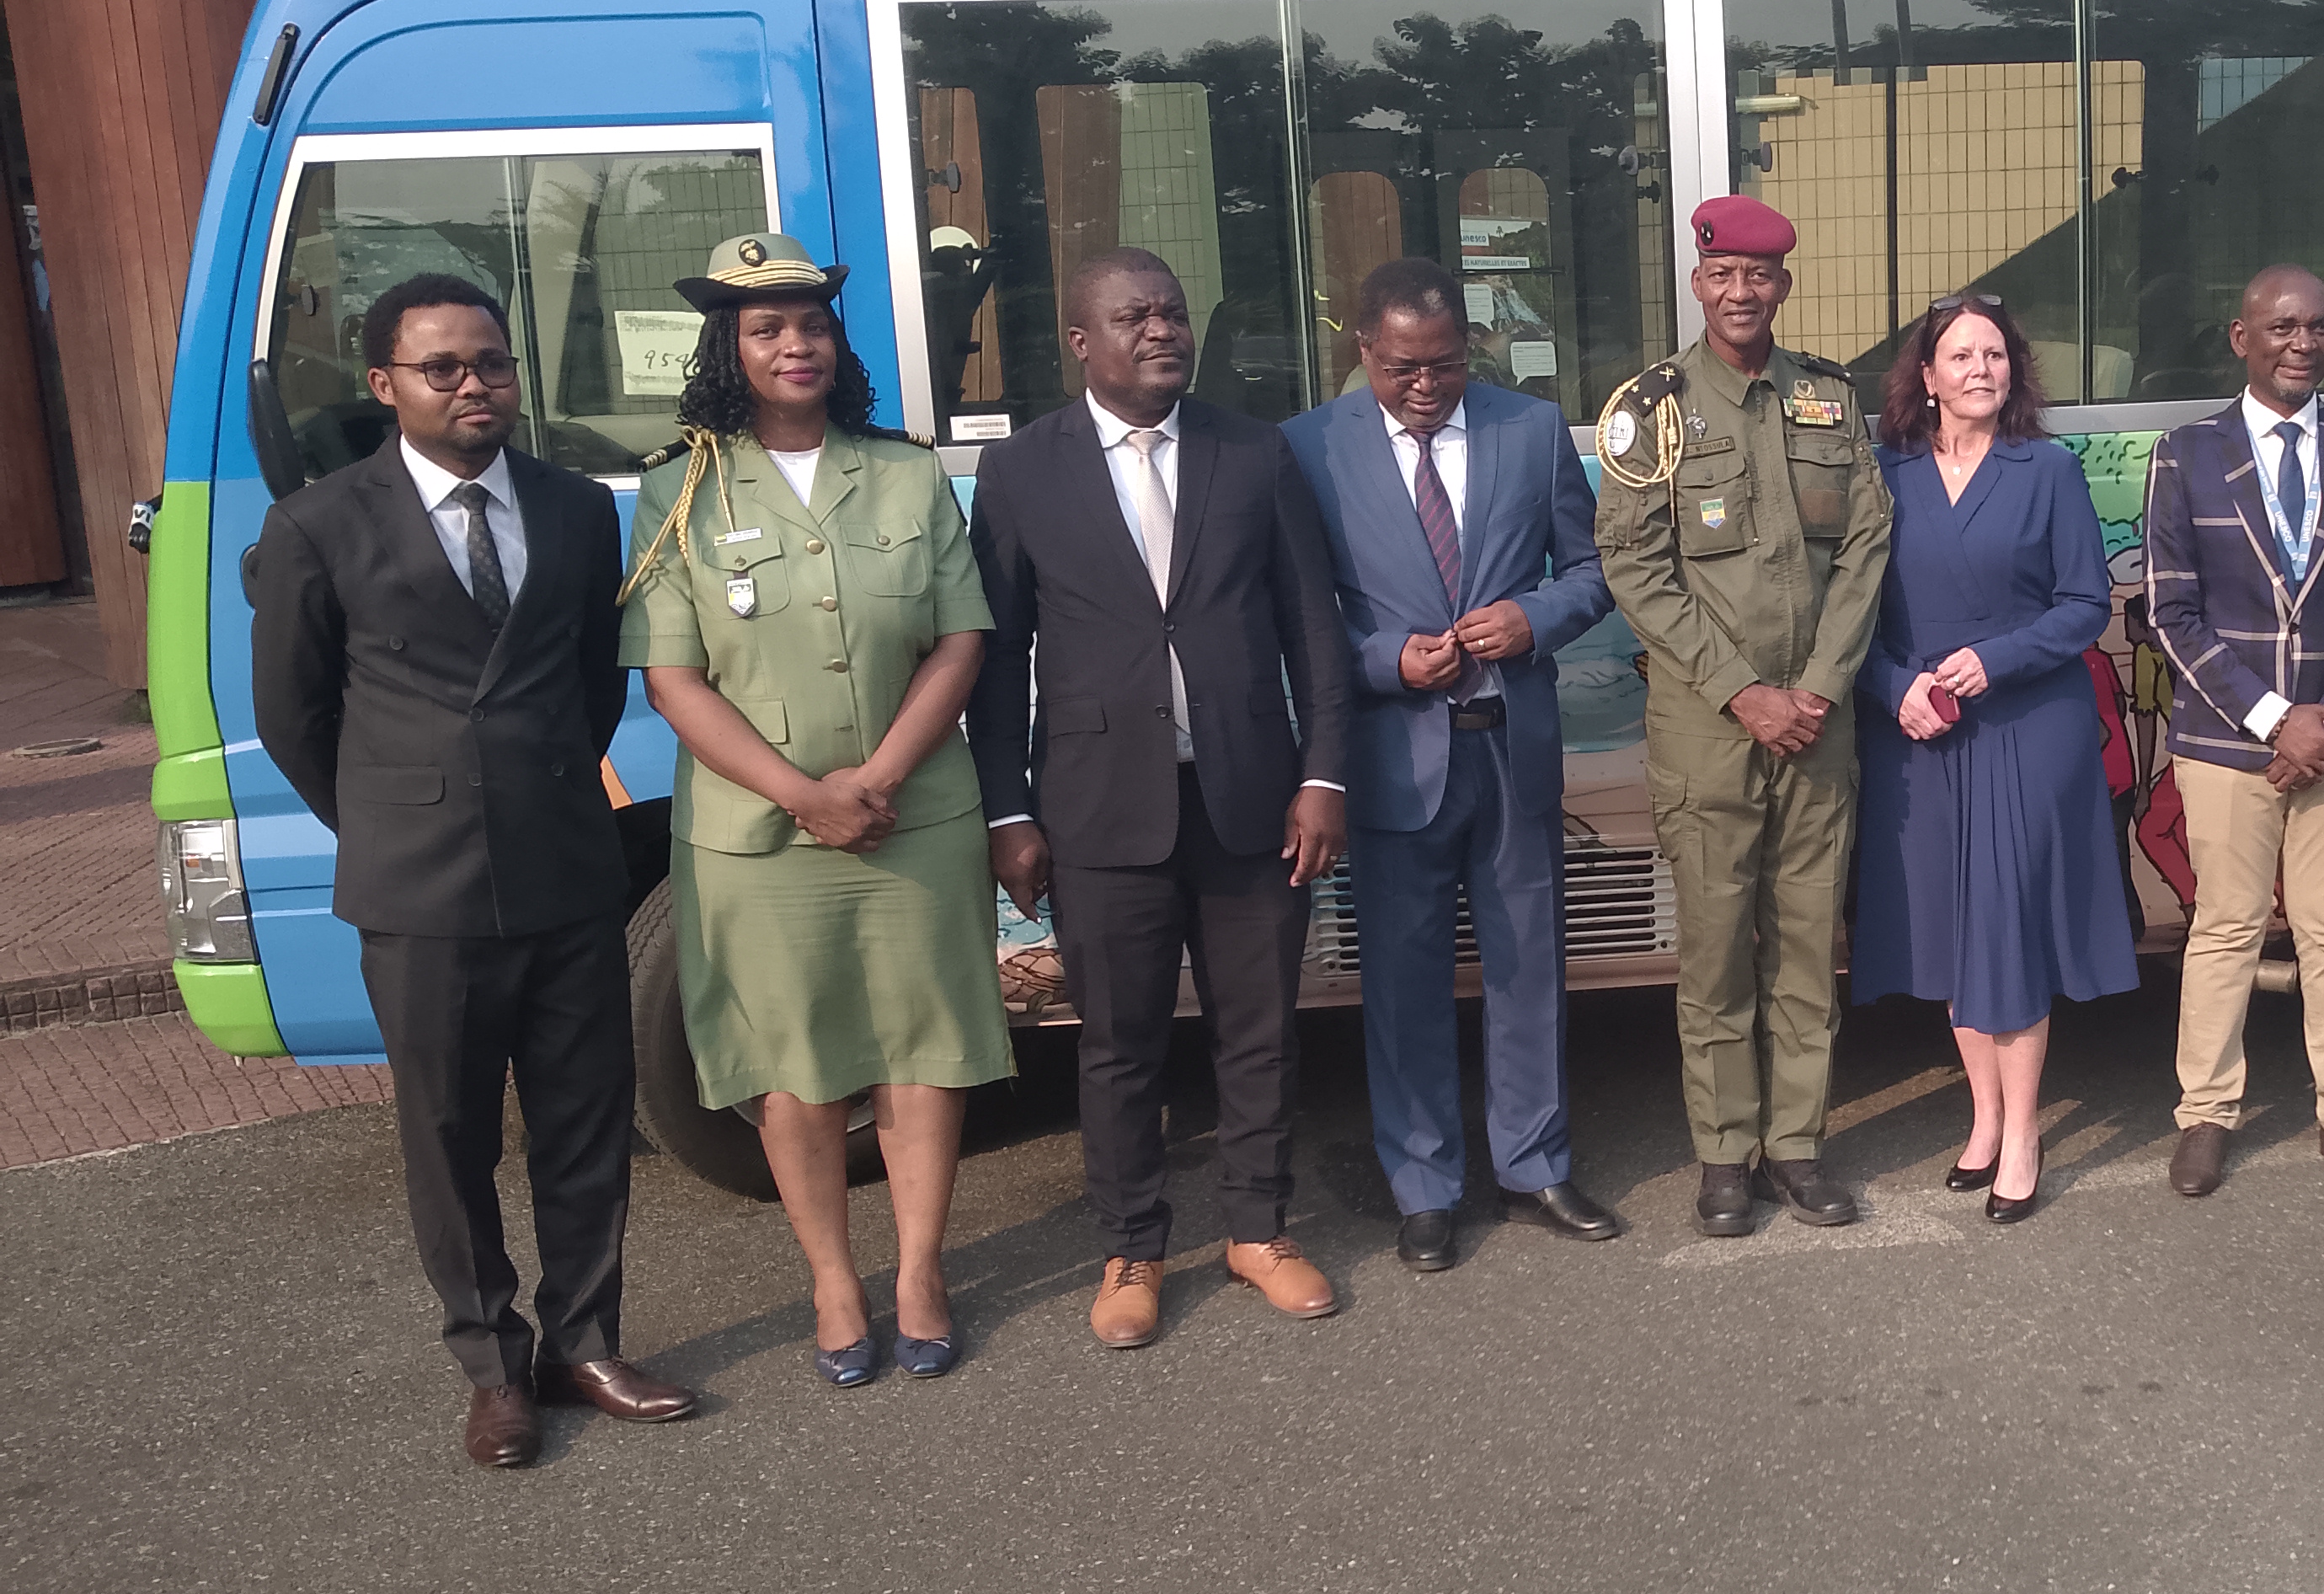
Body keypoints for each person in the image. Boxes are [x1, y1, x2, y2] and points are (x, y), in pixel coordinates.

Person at [248, 272, 694, 1467]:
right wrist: (394, 819)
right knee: (449, 1139)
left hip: (565, 866)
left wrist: (537, 787)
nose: (472, 385)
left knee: (585, 1124)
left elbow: (592, 680)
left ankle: (584, 1343)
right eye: (441, 367)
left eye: (490, 363)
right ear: (385, 383)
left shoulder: (575, 510)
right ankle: (494, 1369)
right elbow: (293, 714)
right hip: (418, 885)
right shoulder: (318, 525)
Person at [618, 234, 1010, 1385]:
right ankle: (834, 1282)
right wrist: (804, 795)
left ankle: (920, 1272)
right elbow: (672, 678)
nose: (797, 345)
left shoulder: (904, 474)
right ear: (727, 352)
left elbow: (961, 639)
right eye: (766, 328)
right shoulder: (678, 491)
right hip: (759, 837)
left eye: (812, 324)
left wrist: (876, 779)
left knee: (922, 1050)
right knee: (789, 1063)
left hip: (913, 815)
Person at [967, 249, 1354, 1333]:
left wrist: (1323, 774)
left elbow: (1312, 629)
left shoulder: (1254, 451)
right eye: (1133, 316)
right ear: (1080, 342)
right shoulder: (1021, 471)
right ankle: (1131, 1250)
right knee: (1119, 1043)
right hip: (1096, 807)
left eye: (1173, 313)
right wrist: (1008, 810)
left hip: (1249, 798)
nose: (1161, 331)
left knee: (1259, 1031)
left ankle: (1258, 1230)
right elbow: (995, 659)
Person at [1288, 256, 1621, 1270]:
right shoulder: (1307, 448)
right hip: (1394, 757)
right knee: (1402, 980)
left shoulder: (1530, 430)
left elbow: (1594, 570)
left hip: (1510, 749)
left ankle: (1533, 1164)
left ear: (1467, 349)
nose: (1426, 386)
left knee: (1529, 970)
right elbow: (1298, 612)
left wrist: (1535, 617)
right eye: (1402, 369)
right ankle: (1424, 1185)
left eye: (1443, 365)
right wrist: (1382, 659)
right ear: (1362, 350)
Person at [1593, 197, 1893, 1237]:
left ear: (1782, 286)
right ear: (1697, 283)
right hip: (1707, 727)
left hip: (1817, 721)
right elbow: (1634, 566)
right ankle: (1724, 1154)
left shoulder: (1827, 399)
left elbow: (1865, 548)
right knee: (1716, 951)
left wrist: (1818, 685)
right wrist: (1744, 692)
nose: (1740, 292)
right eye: (1722, 275)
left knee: (1807, 946)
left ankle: (1797, 1147)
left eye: (1758, 276)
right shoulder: (1652, 409)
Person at [2141, 264, 2324, 1201]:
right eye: (2283, 328)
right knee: (2223, 928)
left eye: (2319, 327)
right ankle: (2205, 1116)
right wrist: (2272, 718)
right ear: (2242, 338)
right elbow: (2172, 611)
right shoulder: (2186, 453)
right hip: (2230, 740)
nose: (2303, 344)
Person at [1849, 296, 2135, 1222]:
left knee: (2007, 928)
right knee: (1952, 930)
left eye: (1996, 354)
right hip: (1919, 731)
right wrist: (1893, 686)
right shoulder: (1881, 476)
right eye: (1961, 356)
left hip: (2027, 726)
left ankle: (2023, 1134)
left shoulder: (2047, 469)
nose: (1981, 369)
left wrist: (1996, 659)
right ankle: (1982, 1117)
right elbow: (1848, 617)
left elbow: (2084, 604)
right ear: (1925, 377)